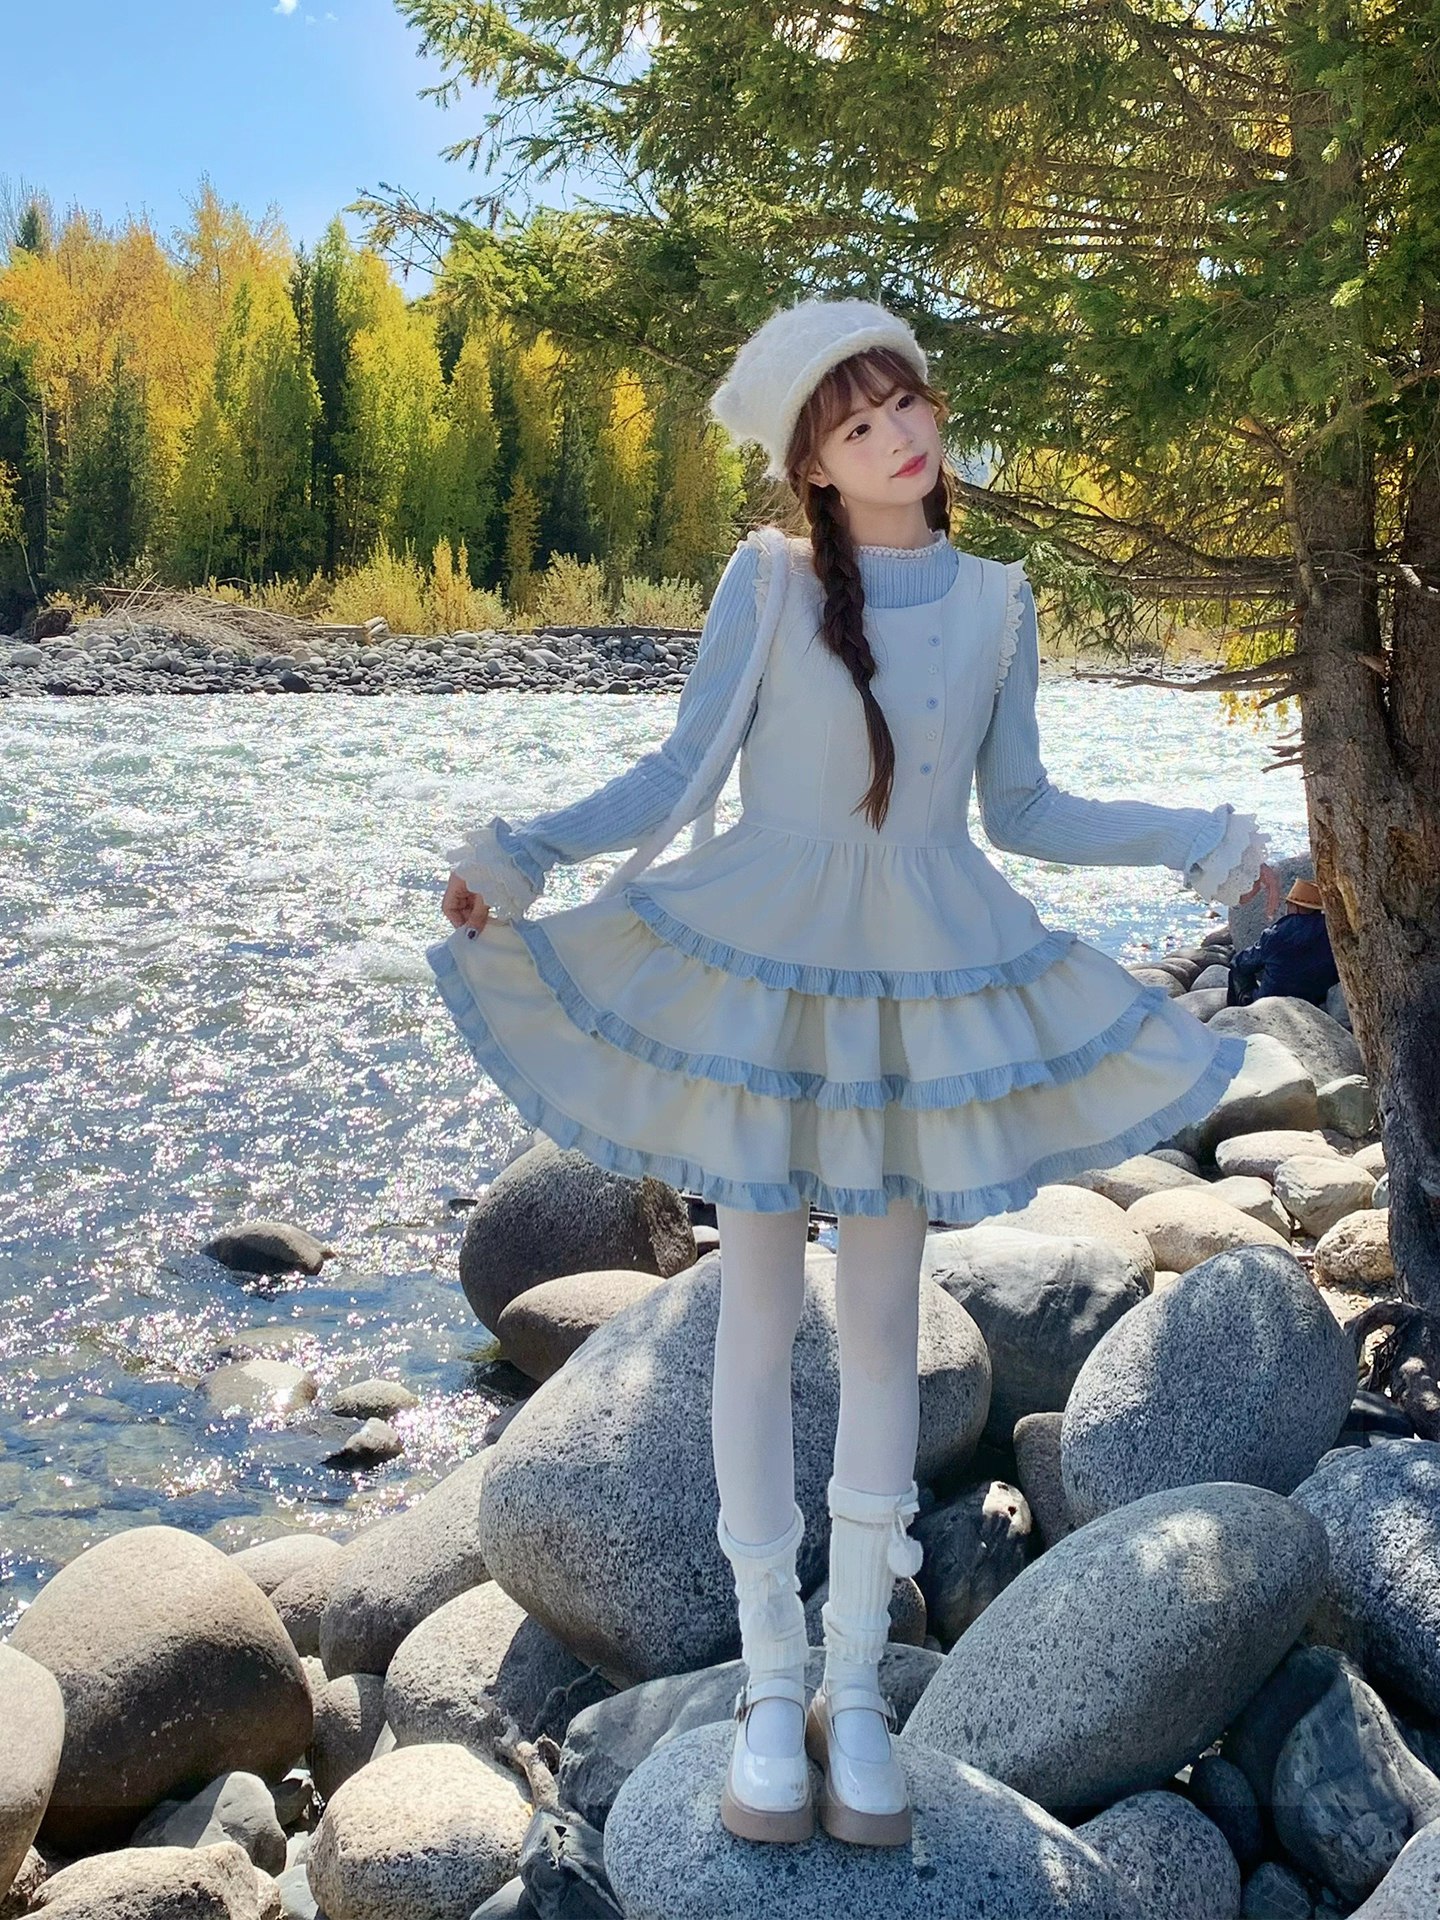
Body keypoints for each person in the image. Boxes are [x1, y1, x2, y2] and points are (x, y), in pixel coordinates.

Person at [428, 297, 1280, 1849]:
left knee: (883, 1321)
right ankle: (766, 1686)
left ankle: (857, 1688)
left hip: (924, 960)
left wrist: (1195, 836)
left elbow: (1022, 808)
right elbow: (679, 772)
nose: (899, 435)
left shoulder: (1000, 600)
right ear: (813, 464)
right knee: (758, 1316)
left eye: (908, 406)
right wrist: (526, 852)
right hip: (763, 953)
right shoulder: (763, 584)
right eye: (857, 421)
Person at [1226, 876, 1338, 1007]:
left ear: (1294, 907)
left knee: (1237, 965)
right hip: (1317, 1001)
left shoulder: (1276, 934)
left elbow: (1243, 962)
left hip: (1271, 1003)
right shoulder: (1331, 930)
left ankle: (1237, 1013)